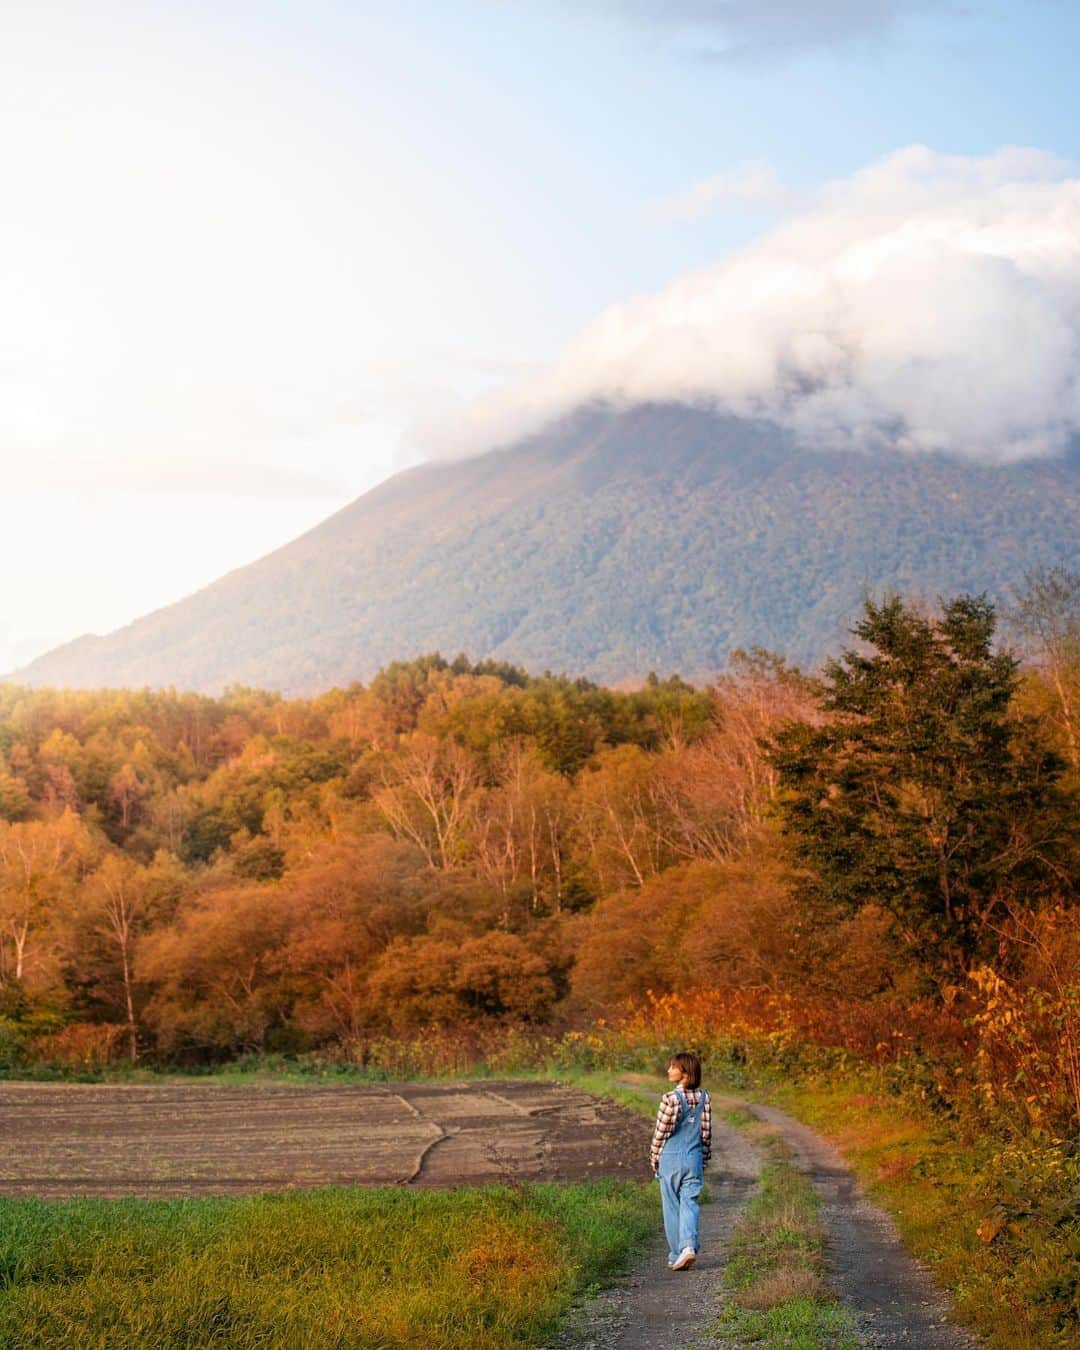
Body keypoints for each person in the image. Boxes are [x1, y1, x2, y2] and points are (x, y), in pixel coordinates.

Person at [649, 1050, 711, 1271]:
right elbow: (705, 1134)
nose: (668, 1070)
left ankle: (677, 1252)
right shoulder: (705, 1097)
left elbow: (661, 1133)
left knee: (672, 1206)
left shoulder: (670, 1099)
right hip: (694, 1158)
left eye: (673, 1067)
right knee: (690, 1202)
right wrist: (703, 1160)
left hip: (671, 1159)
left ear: (684, 1072)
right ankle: (689, 1247)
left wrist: (654, 1157)